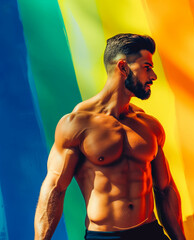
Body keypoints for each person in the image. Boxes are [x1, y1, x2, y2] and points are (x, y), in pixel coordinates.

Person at [34, 33, 186, 240]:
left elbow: (165, 188)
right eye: (146, 67)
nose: (153, 76)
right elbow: (54, 189)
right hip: (105, 236)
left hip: (149, 232)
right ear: (123, 67)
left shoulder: (149, 125)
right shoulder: (77, 124)